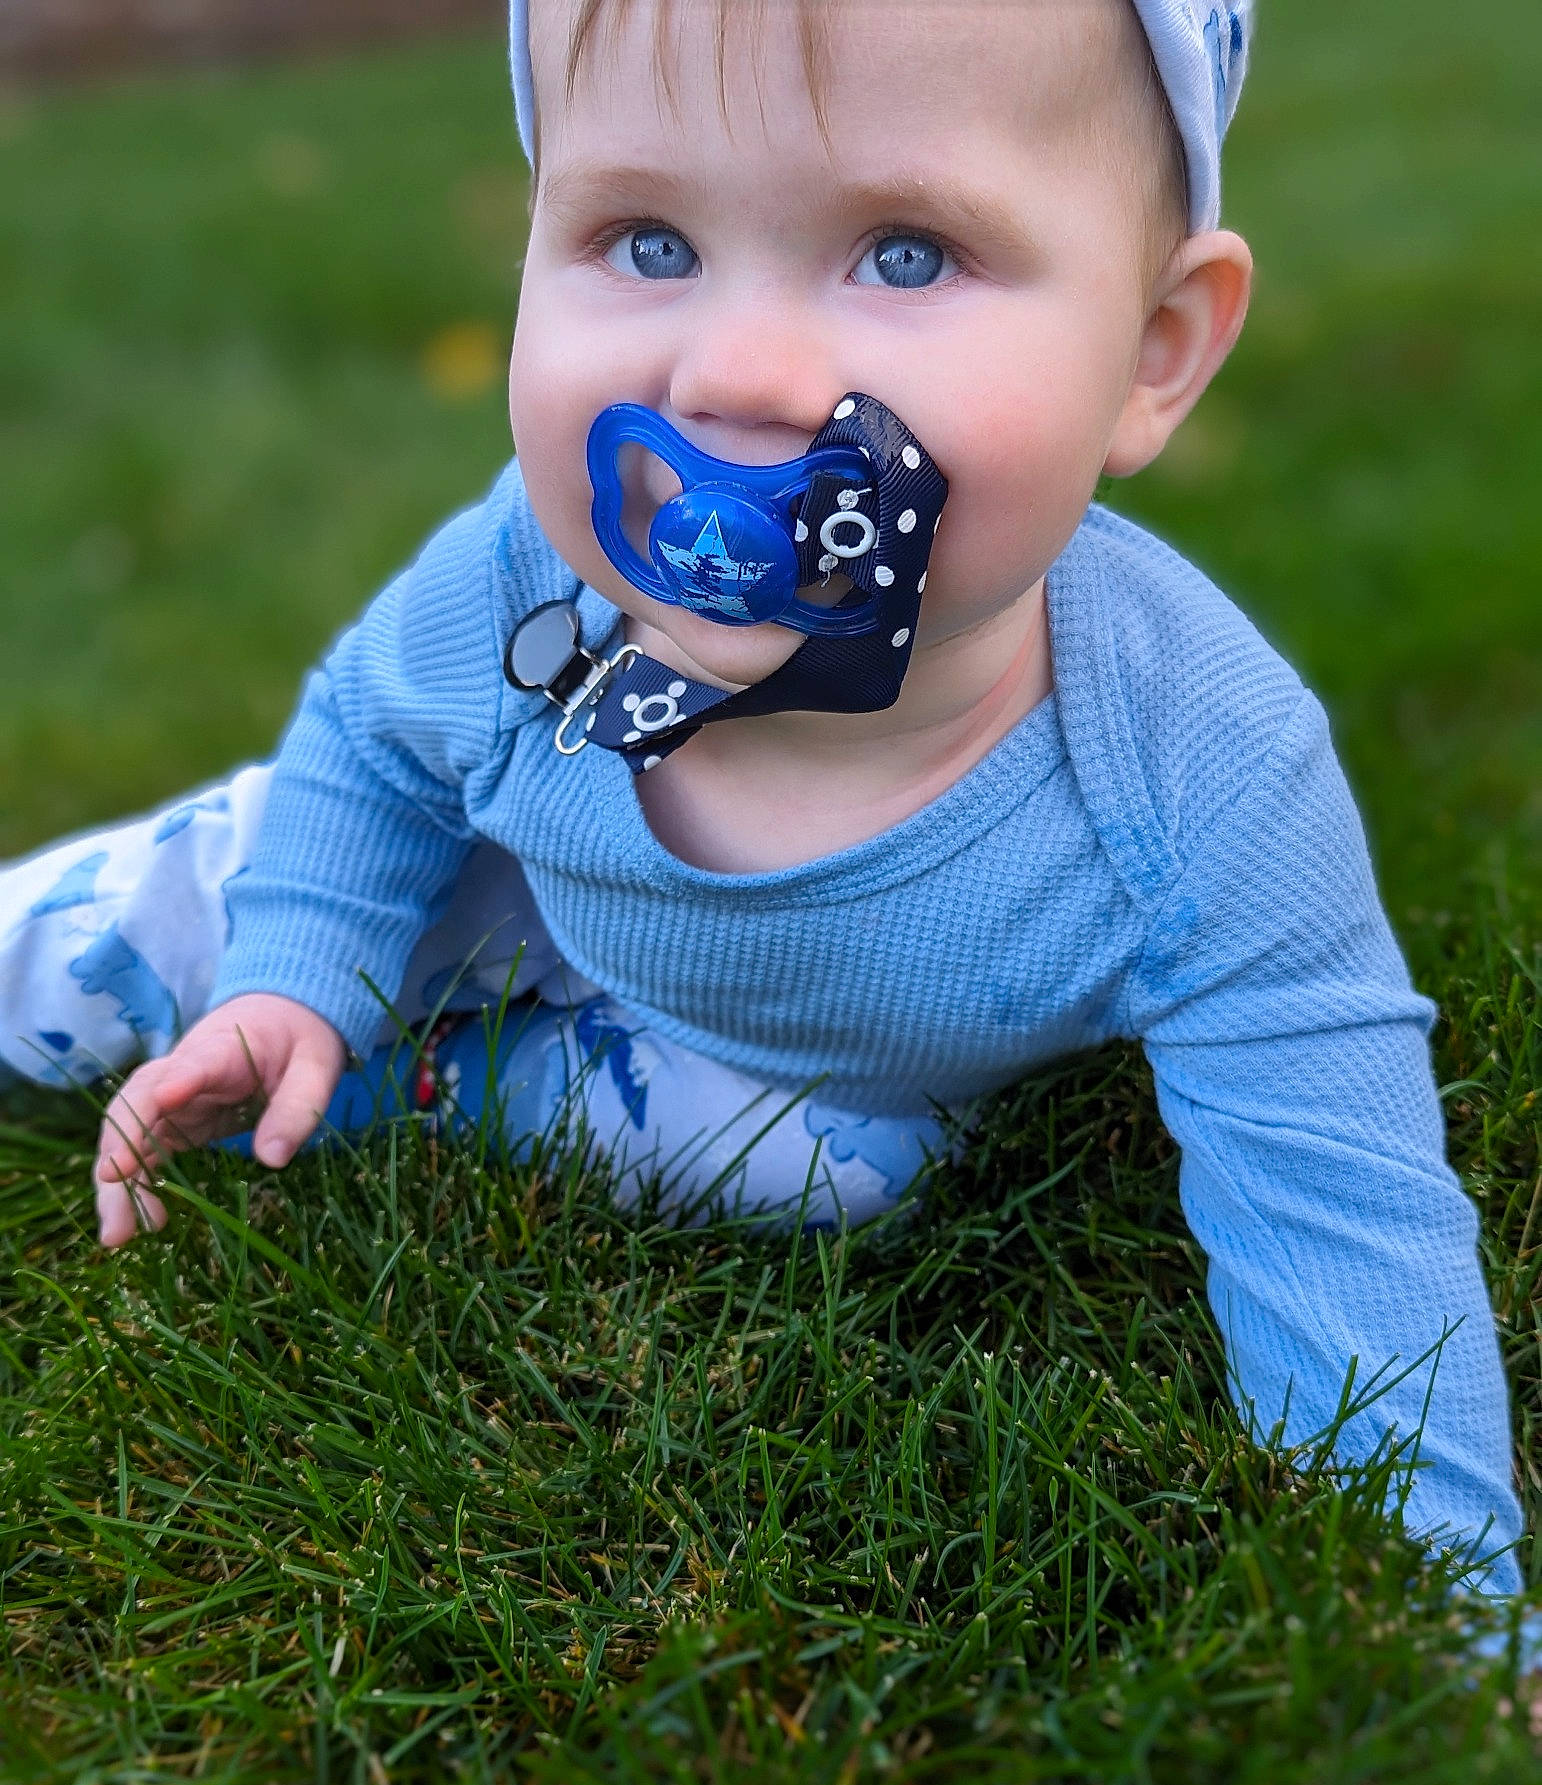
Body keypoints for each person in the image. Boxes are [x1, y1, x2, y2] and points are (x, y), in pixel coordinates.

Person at [0, 0, 1525, 1599]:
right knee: (173, 912)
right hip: (499, 863)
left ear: (1154, 352)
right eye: (647, 241)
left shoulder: (1194, 768)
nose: (738, 375)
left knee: (844, 1173)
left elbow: (1335, 1184)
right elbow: (374, 744)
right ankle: (244, 1024)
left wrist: (1439, 1600)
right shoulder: (536, 586)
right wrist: (292, 962)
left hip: (813, 1065)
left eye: (907, 253)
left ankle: (423, 1095)